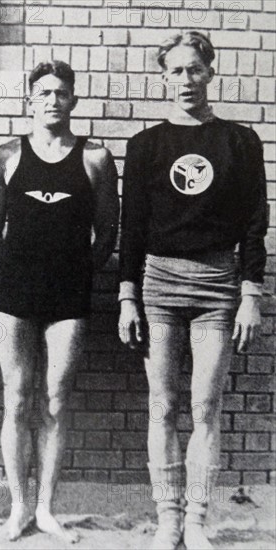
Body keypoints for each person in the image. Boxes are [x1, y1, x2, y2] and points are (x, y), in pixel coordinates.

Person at [118, 31, 268, 550]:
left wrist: (252, 292)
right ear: (164, 77)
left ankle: (198, 520)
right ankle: (167, 519)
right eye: (176, 71)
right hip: (158, 282)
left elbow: (254, 221)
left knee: (205, 404)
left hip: (218, 284)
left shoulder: (240, 141)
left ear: (210, 72)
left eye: (194, 69)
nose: (186, 80)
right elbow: (130, 226)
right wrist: (126, 296)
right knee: (162, 404)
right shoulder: (146, 146)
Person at [0, 61, 119, 543]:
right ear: (30, 100)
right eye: (43, 93)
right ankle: (18, 507)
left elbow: (108, 233)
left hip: (69, 296)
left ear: (74, 100)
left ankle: (46, 508)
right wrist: (18, 266)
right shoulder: (6, 156)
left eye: (61, 93)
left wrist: (78, 271)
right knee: (17, 399)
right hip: (16, 293)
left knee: (56, 401)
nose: (52, 100)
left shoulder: (96, 158)